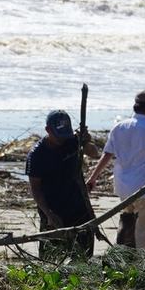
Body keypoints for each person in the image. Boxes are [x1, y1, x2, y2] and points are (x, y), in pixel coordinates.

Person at [86, 91, 145, 255]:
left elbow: (107, 154)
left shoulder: (119, 127)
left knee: (127, 225)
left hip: (124, 188)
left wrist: (93, 178)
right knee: (142, 234)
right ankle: (139, 269)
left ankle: (122, 261)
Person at [25, 110, 96, 261]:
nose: (61, 140)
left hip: (78, 207)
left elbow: (94, 152)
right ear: (48, 130)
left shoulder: (71, 141)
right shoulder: (37, 154)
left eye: (65, 134)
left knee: (84, 256)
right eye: (58, 135)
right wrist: (49, 214)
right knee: (51, 257)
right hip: (53, 210)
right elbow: (35, 188)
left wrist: (85, 141)